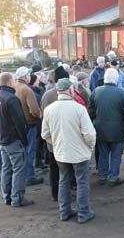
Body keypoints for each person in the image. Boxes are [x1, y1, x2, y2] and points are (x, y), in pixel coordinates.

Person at [42, 78, 96, 224]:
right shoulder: (79, 109)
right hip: (79, 153)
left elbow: (45, 134)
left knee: (63, 181)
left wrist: (57, 143)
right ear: (70, 90)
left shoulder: (49, 109)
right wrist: (90, 147)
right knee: (82, 182)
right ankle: (83, 213)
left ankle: (64, 212)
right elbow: (90, 134)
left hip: (60, 153)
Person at [0, 72, 34, 207]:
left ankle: (7, 196)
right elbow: (19, 122)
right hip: (13, 140)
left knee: (6, 168)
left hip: (2, 138)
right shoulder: (12, 99)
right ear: (10, 82)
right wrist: (24, 140)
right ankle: (17, 199)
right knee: (18, 169)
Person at [88, 68, 124, 187]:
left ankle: (102, 176)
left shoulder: (96, 91)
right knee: (116, 154)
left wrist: (95, 121)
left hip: (100, 129)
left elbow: (90, 111)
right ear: (117, 79)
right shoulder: (123, 93)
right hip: (118, 130)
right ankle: (113, 177)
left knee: (103, 153)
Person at [40, 67, 70, 201]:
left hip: (52, 139)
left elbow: (42, 116)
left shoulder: (47, 95)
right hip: (66, 139)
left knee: (54, 168)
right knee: (66, 169)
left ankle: (55, 193)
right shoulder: (70, 95)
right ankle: (65, 194)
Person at [14, 66, 43, 186]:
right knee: (30, 150)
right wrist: (40, 116)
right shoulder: (27, 89)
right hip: (30, 123)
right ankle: (30, 176)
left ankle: (24, 174)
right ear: (25, 76)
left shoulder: (15, 87)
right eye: (29, 75)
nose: (30, 77)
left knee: (23, 151)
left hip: (19, 124)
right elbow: (34, 110)